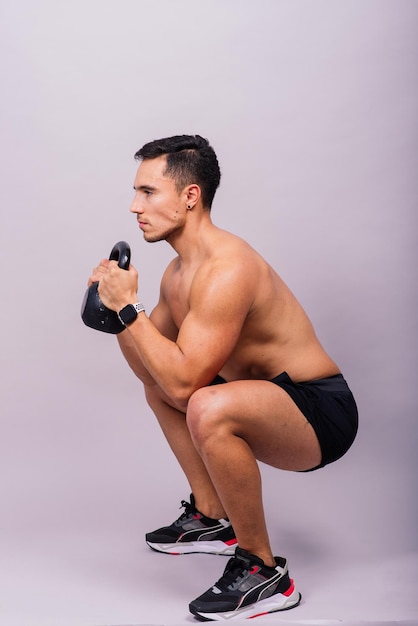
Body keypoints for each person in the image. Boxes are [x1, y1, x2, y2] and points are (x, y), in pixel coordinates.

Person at [88, 134, 358, 621]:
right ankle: (213, 518)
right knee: (166, 386)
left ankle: (264, 572)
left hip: (320, 412)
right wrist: (118, 317)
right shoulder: (178, 273)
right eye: (136, 192)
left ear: (190, 196)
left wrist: (129, 308)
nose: (134, 206)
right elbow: (156, 375)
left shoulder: (227, 268)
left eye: (148, 192)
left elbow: (186, 386)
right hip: (263, 399)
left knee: (205, 404)